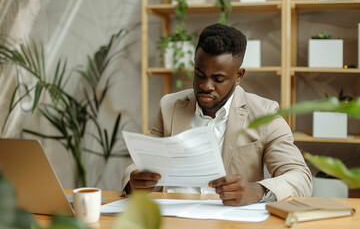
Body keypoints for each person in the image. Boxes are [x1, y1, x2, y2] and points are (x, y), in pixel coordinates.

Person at [122, 23, 312, 206]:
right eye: (199, 74)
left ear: (239, 76)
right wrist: (134, 182)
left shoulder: (264, 114)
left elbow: (300, 176)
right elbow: (138, 166)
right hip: (172, 220)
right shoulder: (169, 106)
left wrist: (256, 190)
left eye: (218, 79)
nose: (206, 86)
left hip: (230, 222)